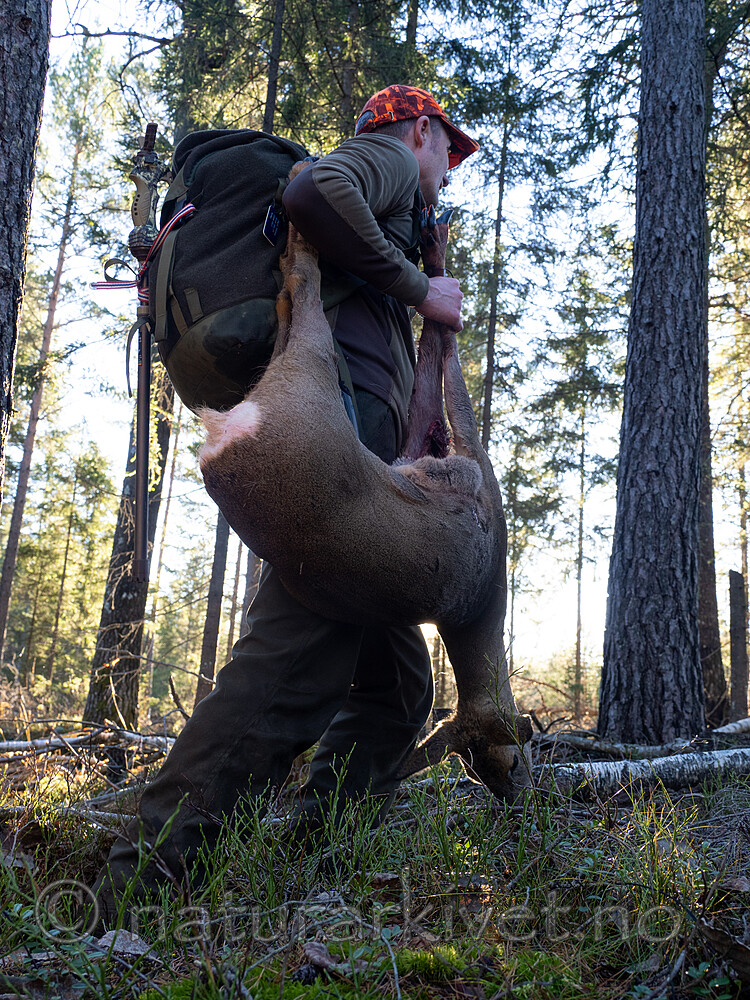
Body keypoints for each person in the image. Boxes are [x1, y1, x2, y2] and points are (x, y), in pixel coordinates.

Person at [93, 84, 478, 924]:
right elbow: (313, 192)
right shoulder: (385, 158)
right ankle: (131, 900)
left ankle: (303, 867)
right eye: (447, 153)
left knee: (395, 688)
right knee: (300, 656)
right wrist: (420, 287)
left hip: (321, 412)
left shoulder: (393, 204)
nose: (447, 175)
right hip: (329, 408)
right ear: (419, 130)